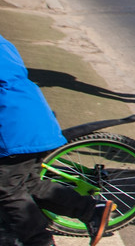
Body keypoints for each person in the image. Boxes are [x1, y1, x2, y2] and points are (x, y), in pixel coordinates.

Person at [1, 34, 114, 246]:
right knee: (29, 184)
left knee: (7, 189)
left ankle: (39, 241)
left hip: (14, 126)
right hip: (34, 117)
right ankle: (91, 210)